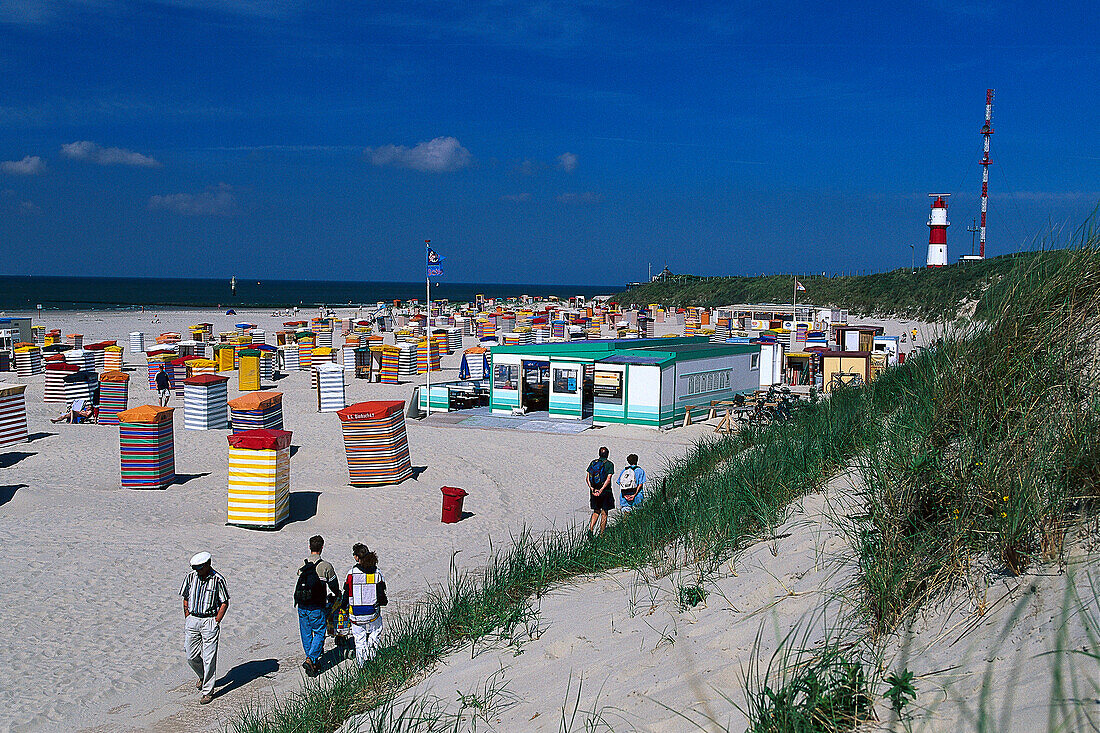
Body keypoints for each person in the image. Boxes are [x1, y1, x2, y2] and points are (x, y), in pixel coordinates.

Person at [179, 552, 229, 704]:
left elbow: (224, 602)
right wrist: (187, 616)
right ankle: (202, 675)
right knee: (190, 655)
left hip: (209, 621)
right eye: (195, 568)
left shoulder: (218, 580)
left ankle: (207, 691)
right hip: (193, 619)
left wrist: (216, 621)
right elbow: (185, 597)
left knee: (209, 657)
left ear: (207, 565)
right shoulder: (190, 577)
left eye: (200, 568)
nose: (197, 571)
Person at [295, 535, 340, 677]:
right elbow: (334, 585)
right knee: (320, 632)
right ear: (322, 547)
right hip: (316, 606)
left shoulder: (303, 565)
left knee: (306, 633)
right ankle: (311, 659)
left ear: (309, 547)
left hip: (302, 605)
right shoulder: (325, 566)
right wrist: (337, 594)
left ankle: (312, 661)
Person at [341, 543, 387, 666]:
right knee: (375, 632)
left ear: (356, 557)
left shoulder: (351, 573)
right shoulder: (376, 573)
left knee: (359, 639)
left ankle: (362, 664)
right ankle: (372, 658)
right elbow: (381, 594)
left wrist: (343, 607)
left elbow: (346, 594)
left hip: (356, 613)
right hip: (372, 612)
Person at [587, 447, 614, 535]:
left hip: (594, 490)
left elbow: (587, 478)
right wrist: (602, 489)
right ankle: (601, 534)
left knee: (596, 511)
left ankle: (590, 529)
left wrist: (592, 489)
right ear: (608, 454)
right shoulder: (609, 464)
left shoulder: (593, 463)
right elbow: (608, 479)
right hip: (606, 492)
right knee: (604, 513)